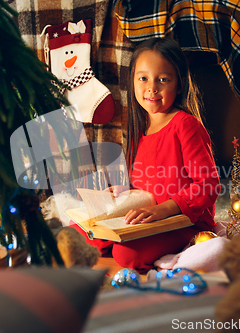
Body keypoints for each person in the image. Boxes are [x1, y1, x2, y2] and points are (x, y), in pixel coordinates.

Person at [72, 37, 220, 273]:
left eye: (163, 79)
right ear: (132, 82)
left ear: (179, 84)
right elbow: (146, 182)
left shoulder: (186, 125)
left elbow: (208, 185)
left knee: (125, 254)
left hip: (182, 220)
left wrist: (162, 209)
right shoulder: (140, 129)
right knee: (80, 230)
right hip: (147, 220)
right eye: (143, 78)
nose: (152, 87)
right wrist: (124, 193)